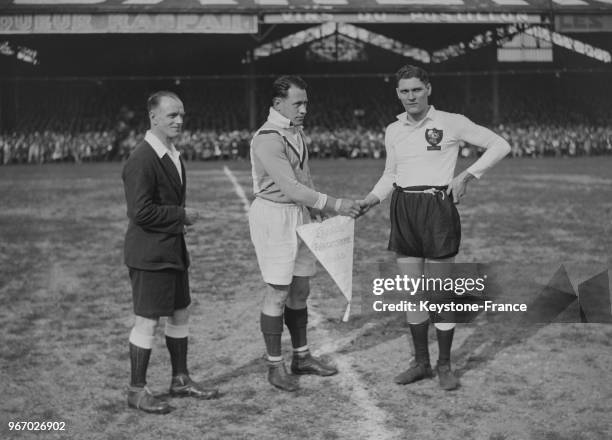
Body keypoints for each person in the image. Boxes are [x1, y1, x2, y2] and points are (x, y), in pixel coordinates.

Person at [358, 65, 511, 390]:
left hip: (437, 209)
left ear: (428, 89)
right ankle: (421, 363)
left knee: (440, 295)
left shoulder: (451, 122)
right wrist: (372, 199)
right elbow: (390, 173)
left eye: (416, 89)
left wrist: (466, 176)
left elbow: (500, 145)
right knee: (412, 294)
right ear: (397, 94)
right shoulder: (393, 129)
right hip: (403, 208)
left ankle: (444, 365)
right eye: (404, 91)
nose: (410, 96)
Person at [249, 76, 361, 392]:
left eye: (305, 102)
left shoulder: (295, 132)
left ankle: (301, 357)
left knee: (300, 291)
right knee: (278, 293)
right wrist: (336, 203)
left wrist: (318, 208)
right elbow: (290, 187)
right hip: (274, 217)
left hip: (298, 213)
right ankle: (274, 366)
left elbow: (304, 178)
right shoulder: (267, 138)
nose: (304, 109)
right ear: (277, 104)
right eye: (298, 103)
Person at [122, 91, 218, 414]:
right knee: (147, 321)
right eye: (171, 115)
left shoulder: (172, 153)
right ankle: (136, 389)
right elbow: (141, 212)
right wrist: (182, 216)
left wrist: (177, 225)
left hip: (172, 251)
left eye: (181, 114)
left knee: (180, 314)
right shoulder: (141, 158)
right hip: (150, 255)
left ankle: (180, 379)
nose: (179, 120)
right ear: (153, 118)